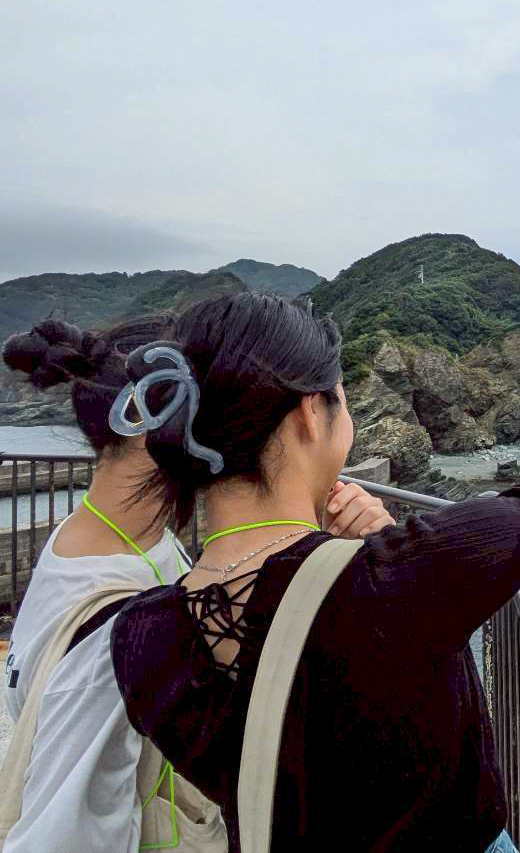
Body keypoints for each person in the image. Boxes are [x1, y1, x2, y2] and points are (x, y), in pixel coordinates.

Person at [109, 291, 520, 852]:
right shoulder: (400, 579)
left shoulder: (139, 636)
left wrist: (337, 551)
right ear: (310, 413)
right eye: (342, 401)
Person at [1, 317, 392, 853]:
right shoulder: (109, 636)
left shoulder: (106, 542)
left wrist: (316, 540)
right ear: (153, 419)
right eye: (217, 405)